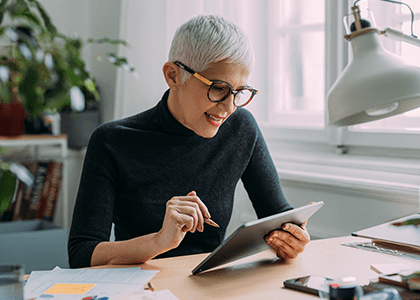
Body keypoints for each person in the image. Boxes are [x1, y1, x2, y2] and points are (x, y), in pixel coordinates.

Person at [68, 14, 310, 268]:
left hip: (211, 285)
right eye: (218, 88)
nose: (229, 108)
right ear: (173, 76)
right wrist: (159, 241)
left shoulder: (241, 127)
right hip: (141, 289)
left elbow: (277, 216)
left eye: (239, 92)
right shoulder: (111, 141)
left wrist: (292, 237)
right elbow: (82, 253)